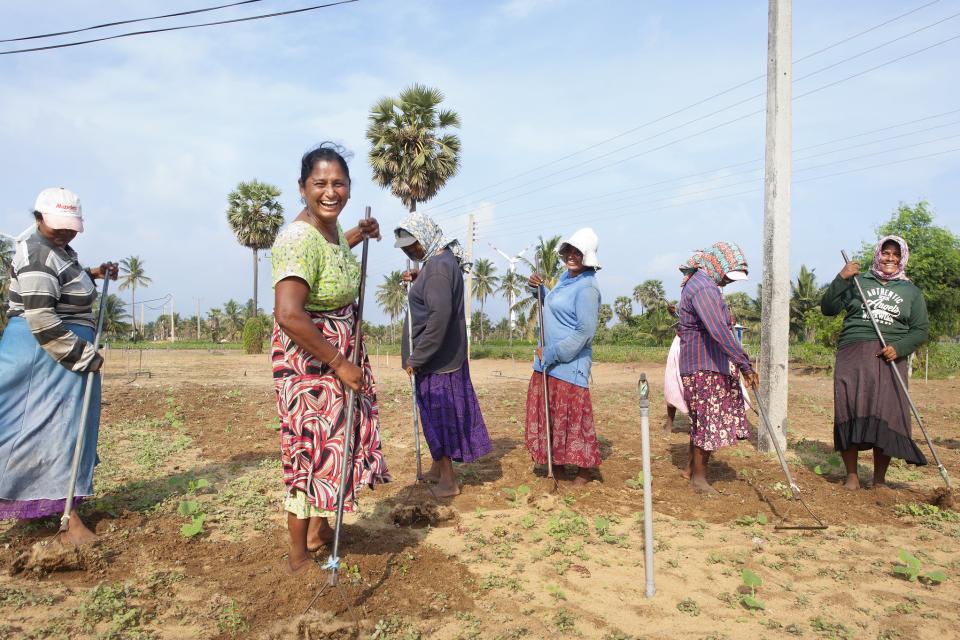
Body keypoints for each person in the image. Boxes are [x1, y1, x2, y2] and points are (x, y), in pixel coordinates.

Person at [271, 143, 390, 575]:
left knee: (335, 445)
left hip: (336, 353)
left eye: (338, 183)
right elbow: (289, 314)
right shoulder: (297, 238)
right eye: (319, 183)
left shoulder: (330, 231)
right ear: (302, 188)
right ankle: (298, 556)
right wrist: (340, 363)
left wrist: (360, 232)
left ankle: (321, 529)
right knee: (313, 450)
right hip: (311, 362)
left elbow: (336, 251)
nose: (329, 191)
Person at [0, 187, 117, 545]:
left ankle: (60, 506)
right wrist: (84, 357)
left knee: (60, 431)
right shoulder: (37, 254)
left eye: (70, 226)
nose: (65, 232)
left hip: (59, 357)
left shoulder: (58, 249)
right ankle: (69, 520)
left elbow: (64, 284)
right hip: (46, 356)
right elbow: (43, 320)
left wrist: (93, 273)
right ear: (38, 219)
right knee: (51, 431)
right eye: (58, 226)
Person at [394, 212, 492, 498]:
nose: (411, 250)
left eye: (413, 244)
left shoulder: (436, 268)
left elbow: (439, 317)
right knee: (434, 416)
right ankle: (438, 468)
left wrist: (417, 357)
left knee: (440, 418)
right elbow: (435, 293)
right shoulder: (440, 262)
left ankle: (448, 480)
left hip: (436, 362)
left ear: (425, 235)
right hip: (445, 358)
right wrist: (418, 276)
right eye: (406, 247)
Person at [821, 235, 929, 489]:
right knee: (850, 408)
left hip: (890, 357)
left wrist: (899, 348)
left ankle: (879, 480)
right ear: (877, 254)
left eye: (895, 254)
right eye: (886, 253)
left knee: (886, 413)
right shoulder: (859, 281)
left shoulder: (910, 291)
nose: (890, 258)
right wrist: (841, 278)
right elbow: (828, 308)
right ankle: (852, 476)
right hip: (854, 352)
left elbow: (920, 330)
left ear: (902, 258)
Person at [677, 241, 758, 495]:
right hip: (705, 365)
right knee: (707, 422)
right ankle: (699, 479)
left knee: (701, 420)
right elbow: (719, 331)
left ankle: (691, 469)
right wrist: (744, 364)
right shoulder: (703, 288)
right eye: (728, 276)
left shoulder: (704, 284)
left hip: (704, 364)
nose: (728, 282)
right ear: (718, 265)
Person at [525, 228, 603, 485]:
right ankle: (557, 466)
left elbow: (584, 333)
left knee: (573, 419)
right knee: (552, 417)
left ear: (587, 256)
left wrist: (552, 353)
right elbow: (554, 308)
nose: (572, 256)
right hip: (548, 362)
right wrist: (539, 290)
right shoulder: (565, 278)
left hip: (568, 365)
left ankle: (582, 471)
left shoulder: (587, 288)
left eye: (578, 252)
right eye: (569, 250)